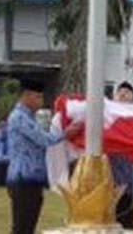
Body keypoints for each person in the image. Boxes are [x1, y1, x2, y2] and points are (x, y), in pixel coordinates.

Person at [6, 79, 82, 234]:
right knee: (22, 226)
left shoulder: (31, 117)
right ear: (26, 96)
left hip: (32, 179)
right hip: (23, 178)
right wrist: (65, 133)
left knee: (28, 225)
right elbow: (43, 139)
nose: (41, 102)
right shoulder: (19, 117)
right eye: (38, 97)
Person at [109, 81, 133, 230]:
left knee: (127, 223)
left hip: (130, 182)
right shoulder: (107, 118)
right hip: (109, 182)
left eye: (127, 92)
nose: (123, 94)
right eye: (119, 92)